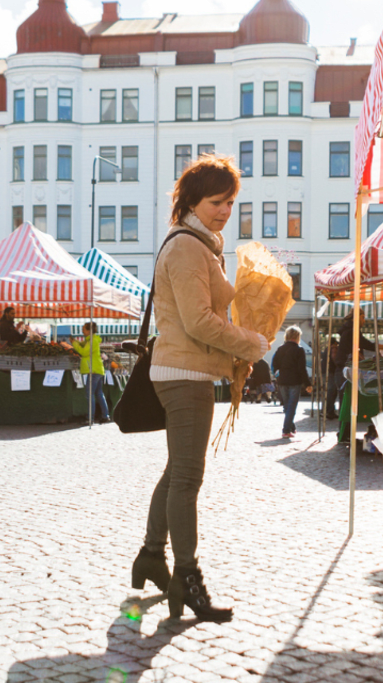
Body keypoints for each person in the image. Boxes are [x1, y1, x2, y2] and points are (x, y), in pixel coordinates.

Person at [133, 153, 271, 623]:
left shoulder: (197, 244)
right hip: (186, 376)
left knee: (177, 472)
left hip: (184, 371)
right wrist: (249, 344)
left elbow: (208, 312)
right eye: (217, 201)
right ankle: (186, 578)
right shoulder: (189, 248)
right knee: (188, 479)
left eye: (231, 202)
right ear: (193, 199)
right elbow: (199, 322)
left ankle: (152, 554)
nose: (225, 211)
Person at [272, 326, 309, 439]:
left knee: (287, 406)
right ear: (297, 337)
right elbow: (302, 368)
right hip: (294, 381)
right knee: (291, 406)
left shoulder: (280, 349)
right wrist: (307, 384)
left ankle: (291, 427)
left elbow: (275, 365)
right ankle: (286, 430)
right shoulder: (299, 349)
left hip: (282, 381)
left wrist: (278, 375)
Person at [72, 321, 110, 423]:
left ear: (89, 330)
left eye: (84, 329)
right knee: (98, 393)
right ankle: (105, 415)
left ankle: (90, 418)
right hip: (97, 369)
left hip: (93, 370)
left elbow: (84, 352)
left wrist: (74, 343)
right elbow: (83, 345)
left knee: (89, 394)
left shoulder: (92, 341)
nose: (82, 330)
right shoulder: (91, 340)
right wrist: (75, 342)